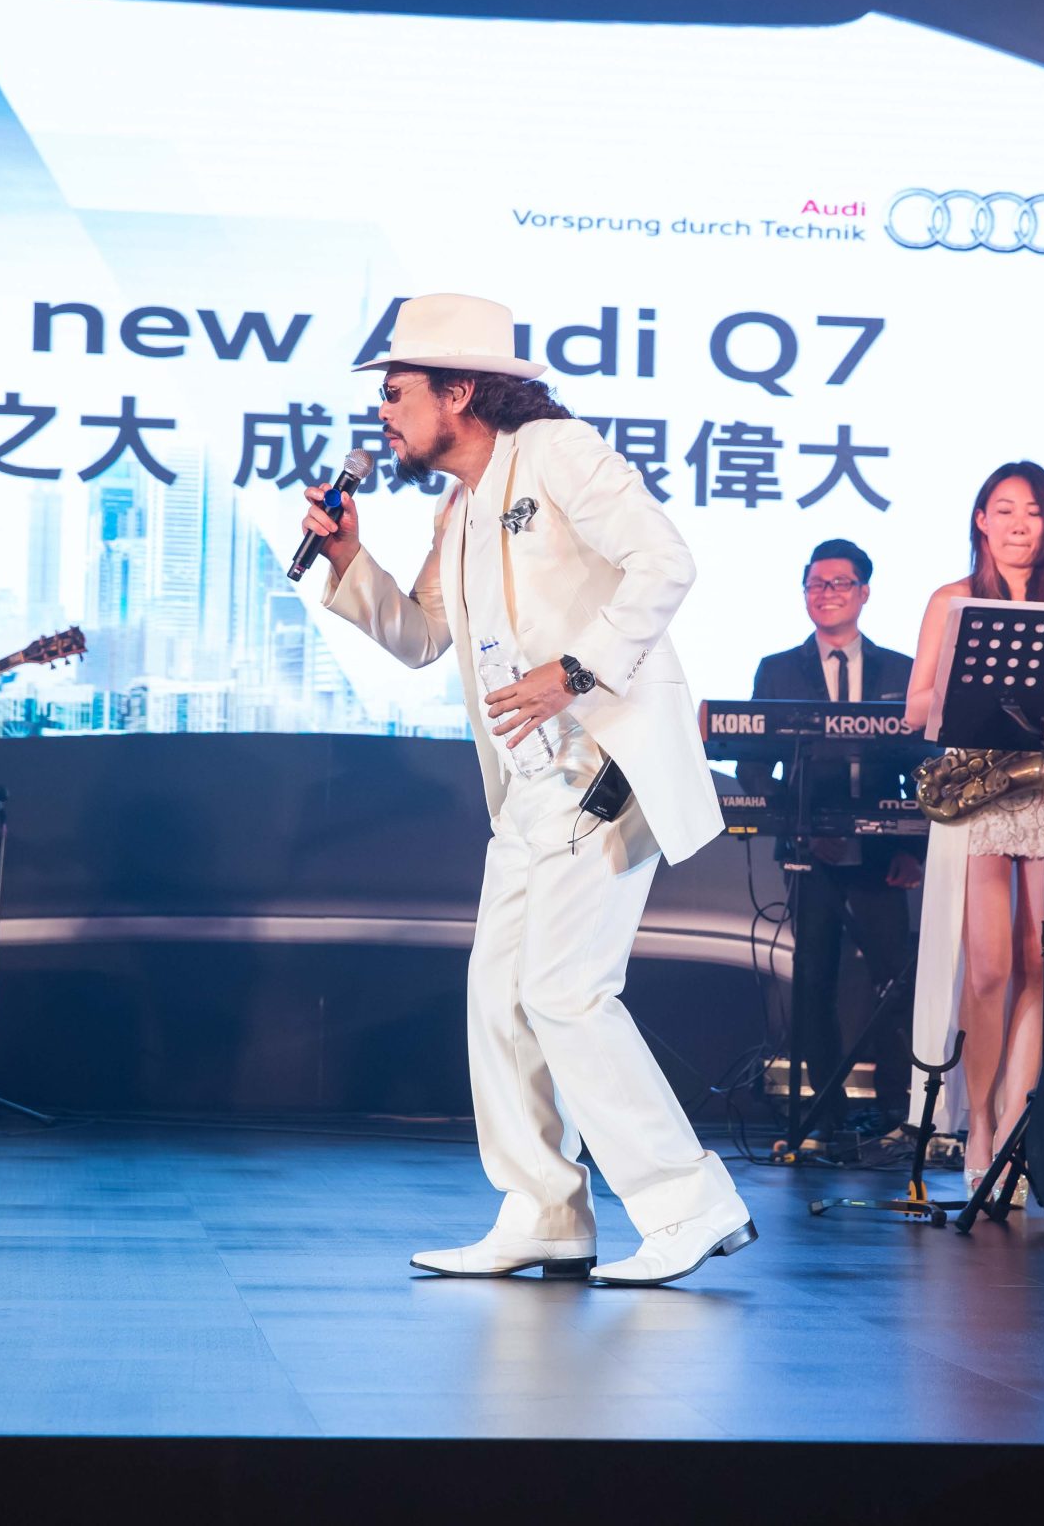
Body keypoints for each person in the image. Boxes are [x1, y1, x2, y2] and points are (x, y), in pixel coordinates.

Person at [300, 292, 753, 1287]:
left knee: (563, 990)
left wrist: (575, 669)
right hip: (530, 783)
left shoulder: (556, 451)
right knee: (500, 997)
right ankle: (543, 1210)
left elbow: (664, 560)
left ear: (460, 391)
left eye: (398, 391)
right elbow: (424, 637)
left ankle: (689, 1203)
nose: (383, 411)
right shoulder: (460, 504)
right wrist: (348, 562)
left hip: (602, 761)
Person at [902, 462, 1044, 1197]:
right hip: (981, 791)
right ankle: (979, 1123)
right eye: (1004, 509)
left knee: (1037, 958)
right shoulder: (953, 599)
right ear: (981, 521)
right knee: (989, 966)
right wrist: (965, 690)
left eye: (1033, 511)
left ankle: (1013, 1129)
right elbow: (915, 706)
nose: (1019, 523)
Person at [738, 538, 921, 1141]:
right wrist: (799, 823)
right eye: (816, 584)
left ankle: (897, 1111)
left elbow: (924, 766)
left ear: (864, 592)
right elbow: (752, 765)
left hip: (883, 853)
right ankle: (825, 1113)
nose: (827, 594)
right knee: (814, 979)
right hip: (809, 851)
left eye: (840, 583)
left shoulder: (901, 670)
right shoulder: (777, 669)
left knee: (895, 979)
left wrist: (912, 849)